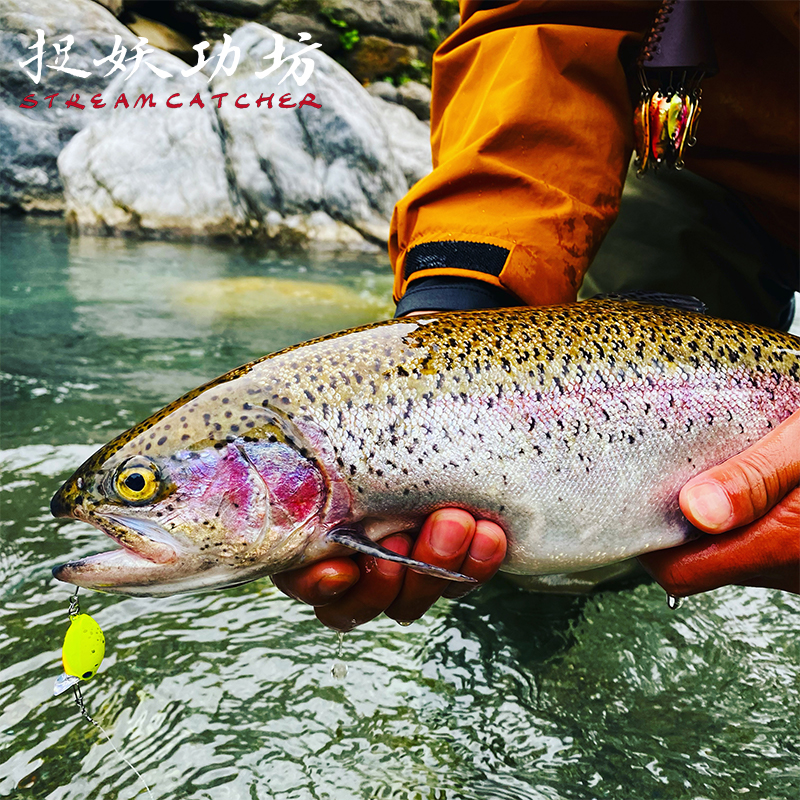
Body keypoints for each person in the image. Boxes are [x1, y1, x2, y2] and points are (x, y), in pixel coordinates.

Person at [273, 1, 800, 630]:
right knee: (515, 542)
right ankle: (518, 657)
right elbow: (545, 21)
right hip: (709, 147)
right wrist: (464, 296)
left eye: (139, 486)